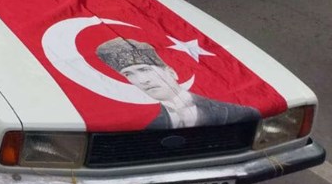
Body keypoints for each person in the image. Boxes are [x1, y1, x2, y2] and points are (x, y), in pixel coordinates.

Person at [96, 38, 259, 129]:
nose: (142, 80)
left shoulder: (237, 112)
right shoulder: (142, 123)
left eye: (145, 69)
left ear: (171, 72)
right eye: (128, 74)